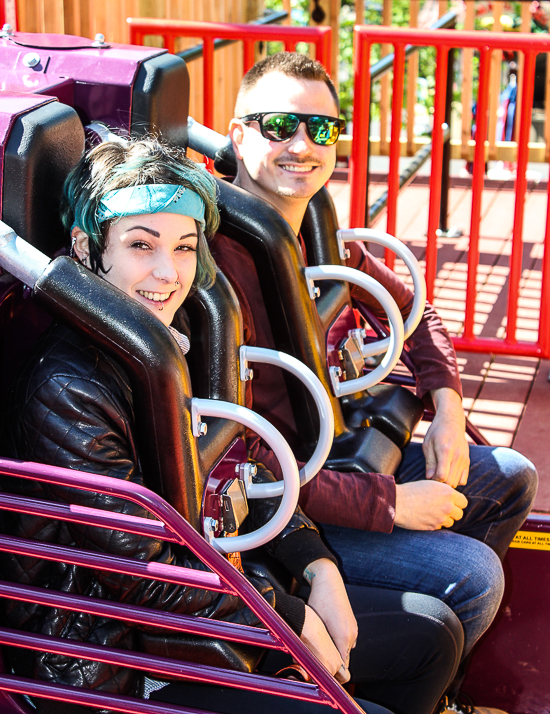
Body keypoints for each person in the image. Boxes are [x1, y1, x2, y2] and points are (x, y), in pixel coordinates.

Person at [0, 138, 463, 714]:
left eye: (185, 248)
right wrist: (288, 621)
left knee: (432, 634)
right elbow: (147, 577)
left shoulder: (172, 335)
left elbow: (242, 450)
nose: (168, 273)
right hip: (116, 661)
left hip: (206, 599)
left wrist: (316, 567)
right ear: (86, 248)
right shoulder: (69, 391)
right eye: (141, 246)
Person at [209, 52, 538, 711]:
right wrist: (389, 506)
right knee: (473, 578)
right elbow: (233, 460)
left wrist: (445, 405)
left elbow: (420, 312)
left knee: (508, 475)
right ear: (238, 135)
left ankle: (410, 646)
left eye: (321, 129)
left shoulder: (311, 235)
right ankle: (402, 665)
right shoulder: (213, 267)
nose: (302, 146)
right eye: (279, 125)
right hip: (278, 511)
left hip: (324, 462)